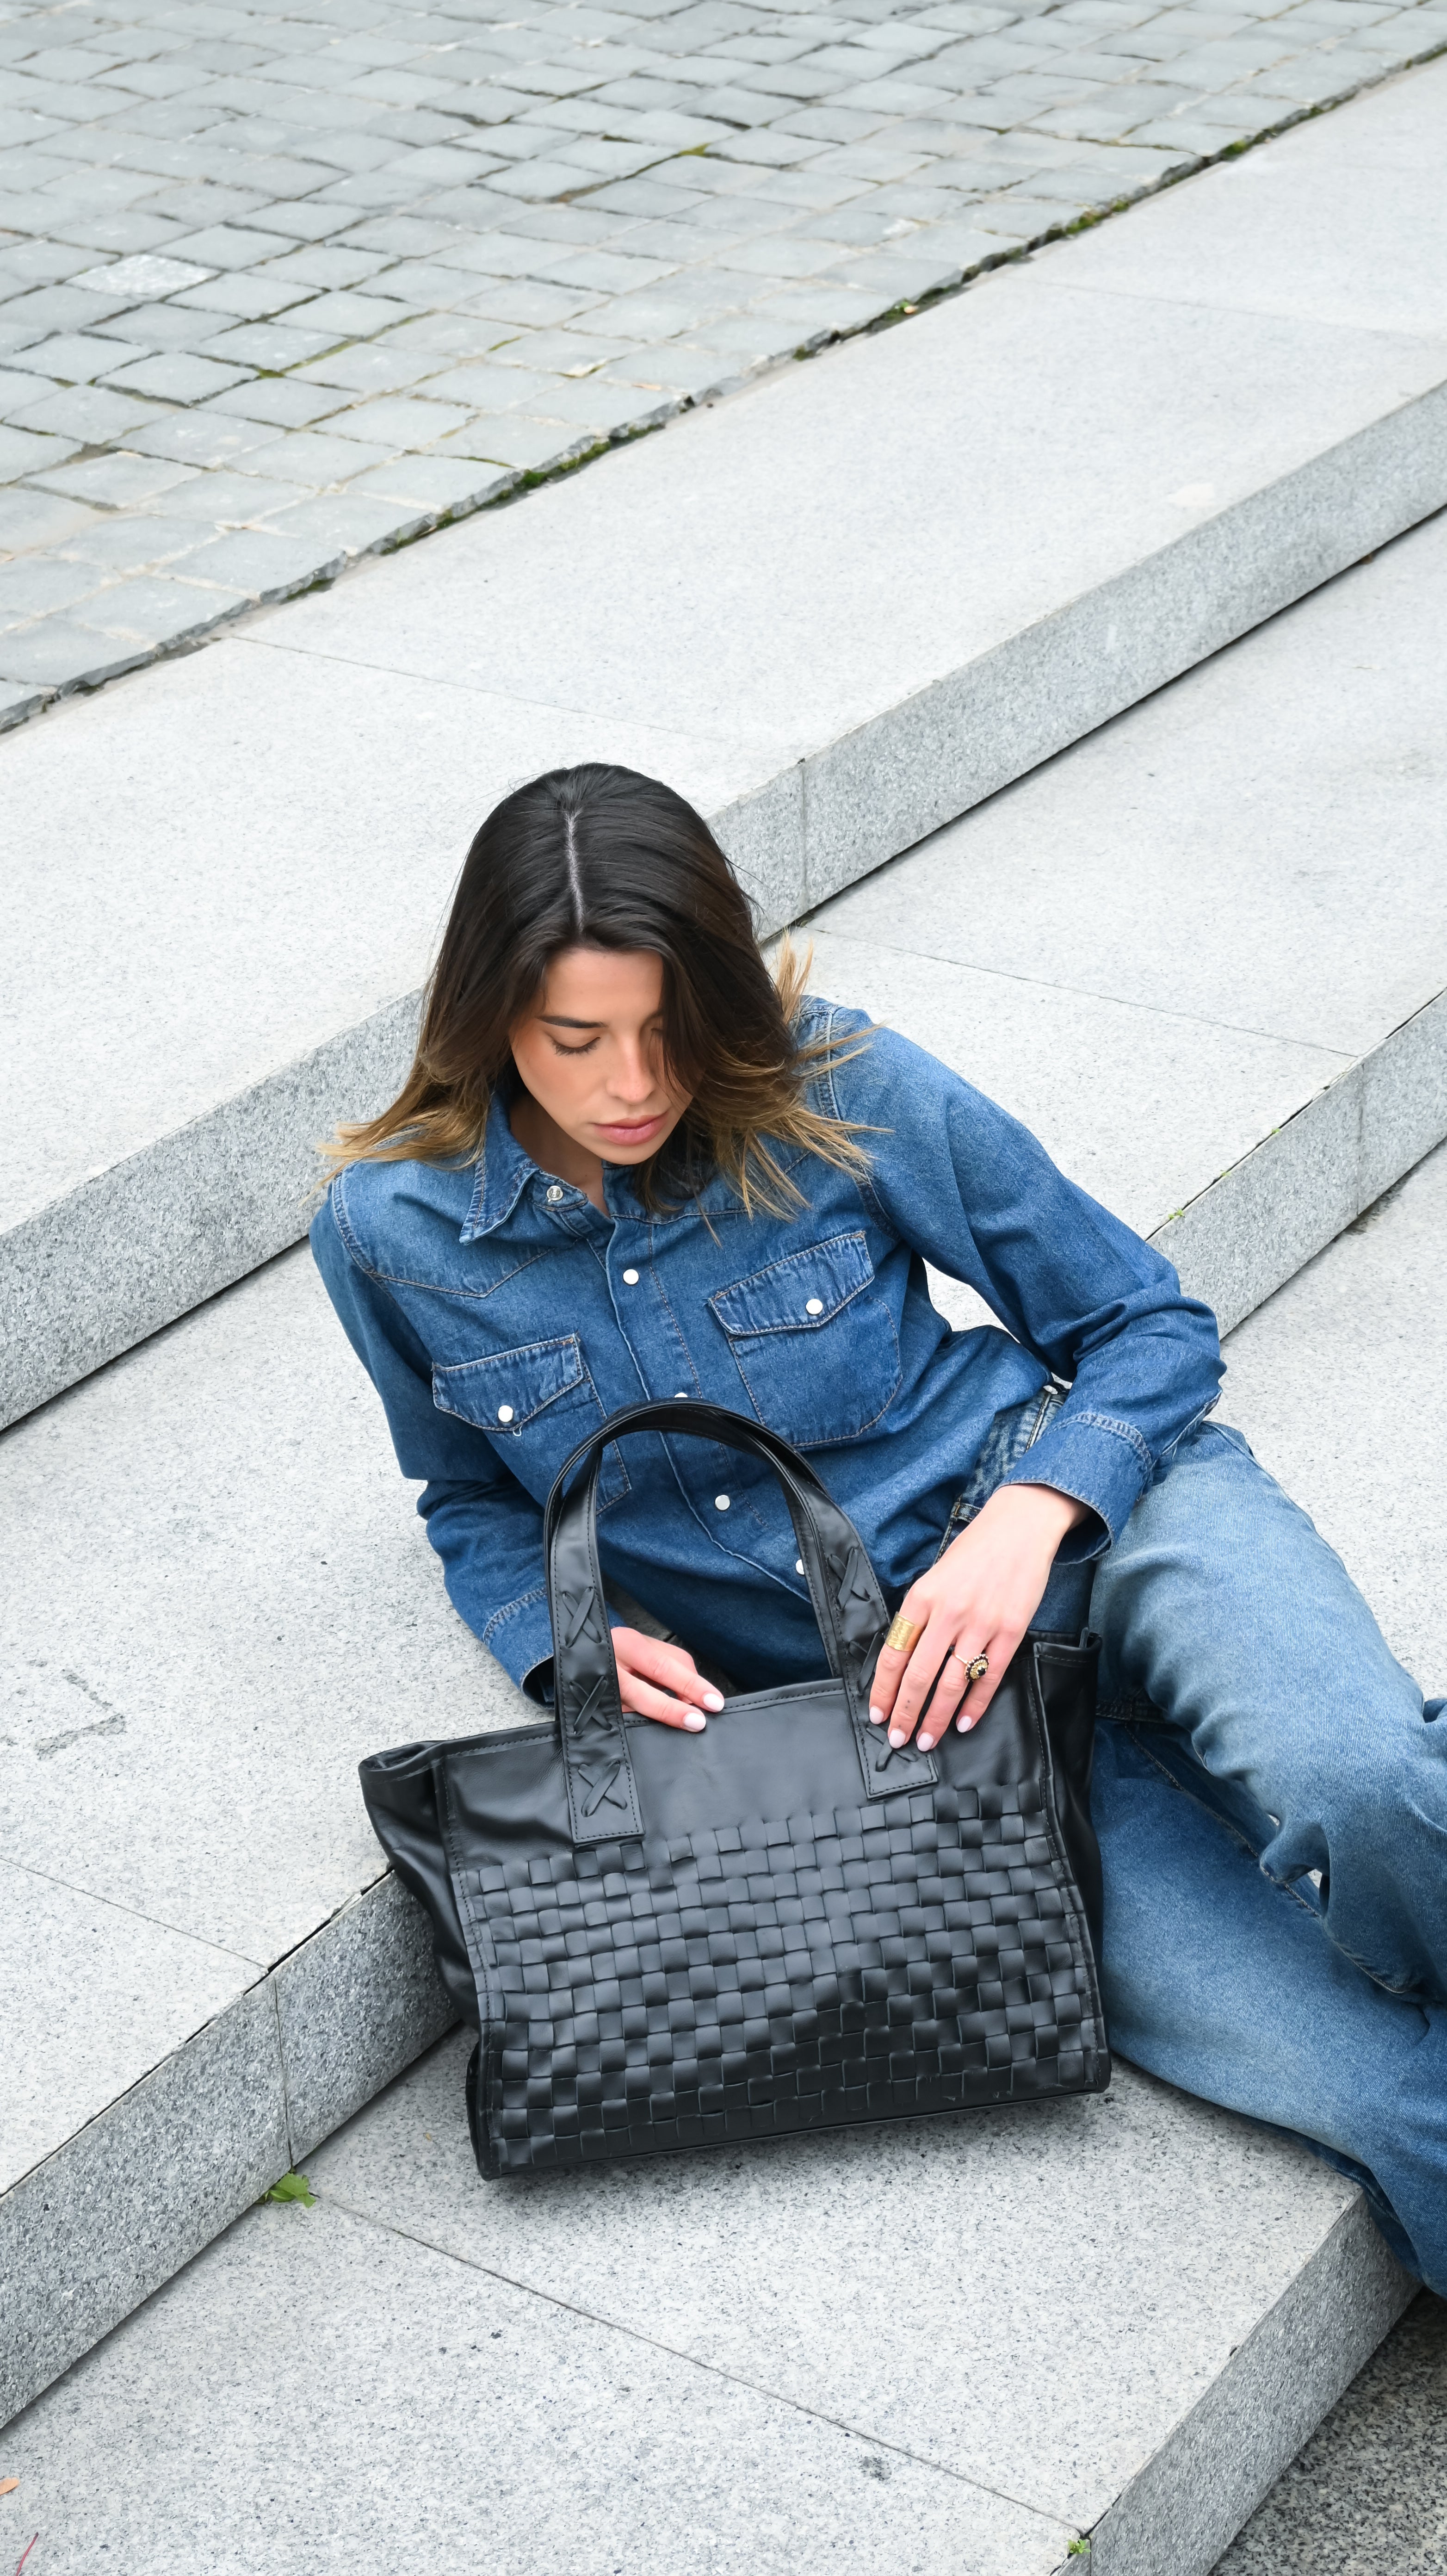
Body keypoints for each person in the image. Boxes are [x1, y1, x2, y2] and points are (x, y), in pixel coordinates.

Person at [312, 762, 1447, 2290]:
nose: (634, 1082)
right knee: (1383, 2098)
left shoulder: (838, 1085)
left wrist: (1032, 1515)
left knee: (1363, 1781)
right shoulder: (389, 1233)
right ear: (489, 1018)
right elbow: (463, 1493)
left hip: (1100, 1523)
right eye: (576, 1039)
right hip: (934, 1746)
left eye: (669, 1027)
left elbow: (1146, 1323)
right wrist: (557, 1639)